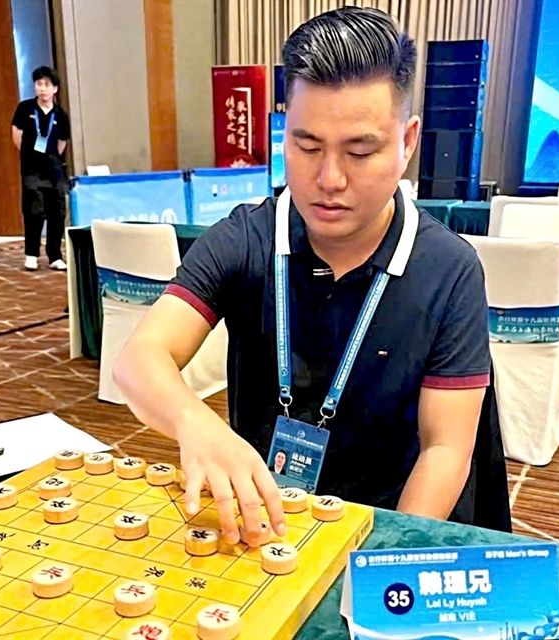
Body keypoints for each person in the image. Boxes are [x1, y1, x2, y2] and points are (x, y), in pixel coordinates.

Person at [113, 7, 493, 548]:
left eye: (360, 151)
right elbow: (139, 358)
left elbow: (445, 449)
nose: (329, 179)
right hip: (258, 520)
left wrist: (386, 553)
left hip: (379, 522)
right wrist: (194, 421)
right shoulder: (246, 238)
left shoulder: (449, 269)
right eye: (307, 146)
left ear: (407, 142)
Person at [11, 66, 70, 271]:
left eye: (47, 84)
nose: (42, 88)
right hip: (32, 169)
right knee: (33, 211)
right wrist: (31, 155)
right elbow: (17, 135)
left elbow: (62, 142)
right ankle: (31, 254)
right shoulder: (25, 108)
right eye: (39, 84)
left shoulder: (61, 114)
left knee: (57, 213)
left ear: (55, 89)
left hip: (54, 169)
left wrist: (51, 158)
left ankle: (55, 256)